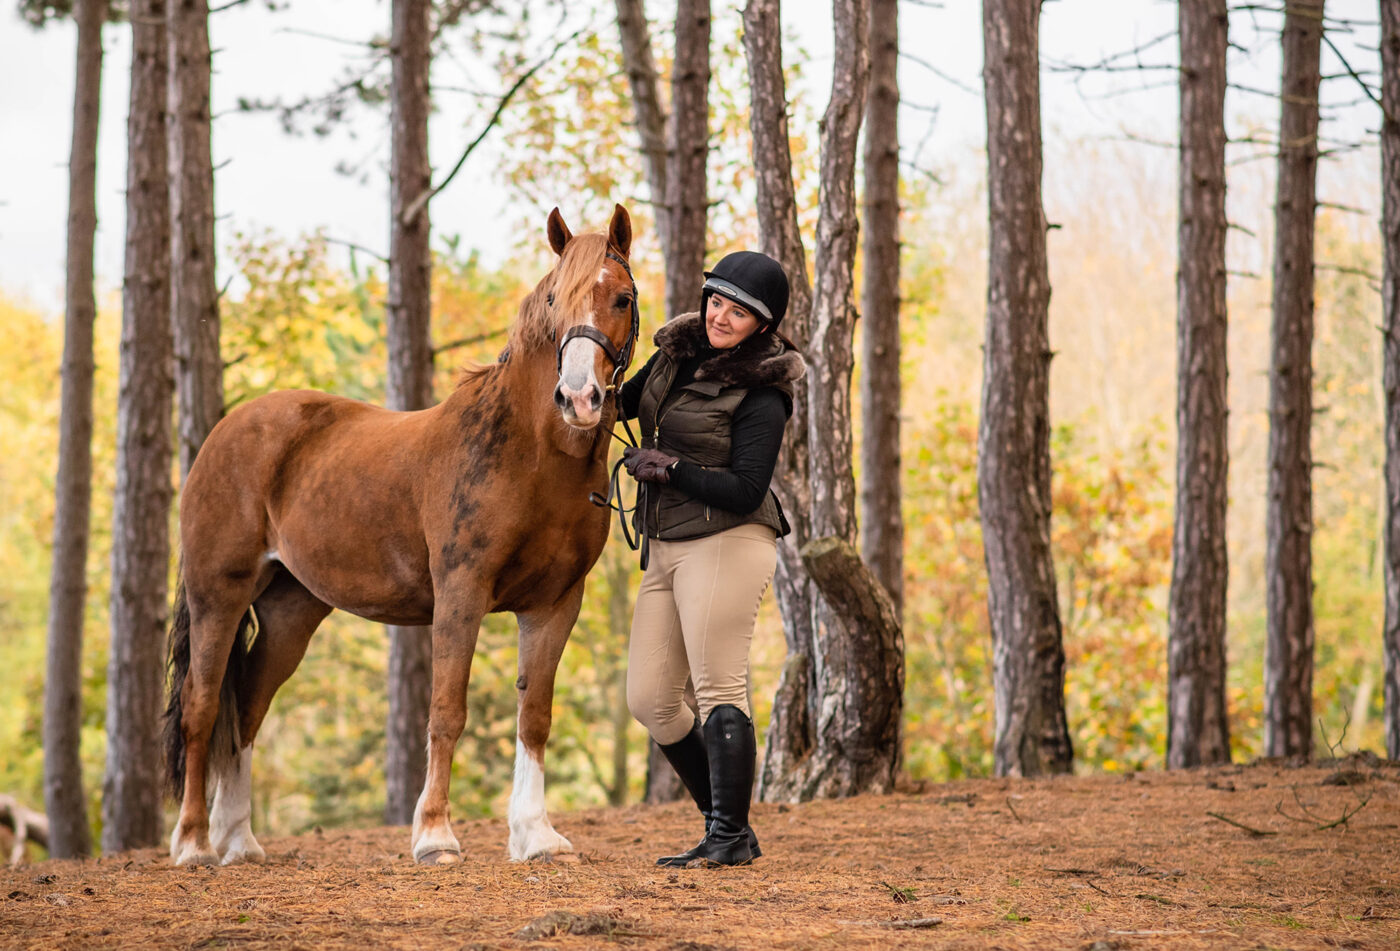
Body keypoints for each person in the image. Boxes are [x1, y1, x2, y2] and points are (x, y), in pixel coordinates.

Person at [617, 250, 804, 868]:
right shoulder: (675, 353)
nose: (721, 316)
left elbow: (748, 488)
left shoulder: (764, 392)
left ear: (764, 325)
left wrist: (672, 468)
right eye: (716, 301)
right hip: (666, 543)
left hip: (729, 540)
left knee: (719, 684)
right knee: (652, 699)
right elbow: (623, 404)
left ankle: (728, 835)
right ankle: (727, 828)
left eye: (739, 311)